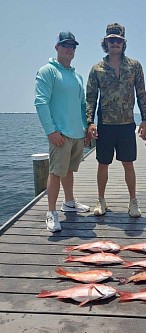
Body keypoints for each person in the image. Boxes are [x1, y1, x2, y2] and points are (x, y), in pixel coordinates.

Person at [86, 23, 146, 218]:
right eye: (112, 40)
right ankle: (101, 200)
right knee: (102, 164)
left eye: (119, 40)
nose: (115, 43)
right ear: (106, 42)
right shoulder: (97, 69)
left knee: (128, 164)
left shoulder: (135, 66)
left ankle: (133, 201)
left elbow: (141, 94)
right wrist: (90, 122)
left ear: (124, 43)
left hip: (127, 124)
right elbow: (90, 98)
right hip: (105, 125)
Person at [35, 31, 90, 233]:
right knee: (56, 172)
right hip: (59, 134)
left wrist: (85, 129)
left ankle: (69, 202)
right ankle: (51, 212)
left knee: (68, 170)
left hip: (77, 133)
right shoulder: (47, 71)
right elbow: (41, 102)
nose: (69, 49)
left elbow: (82, 104)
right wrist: (51, 131)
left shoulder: (77, 76)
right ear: (57, 47)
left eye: (73, 46)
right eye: (65, 45)